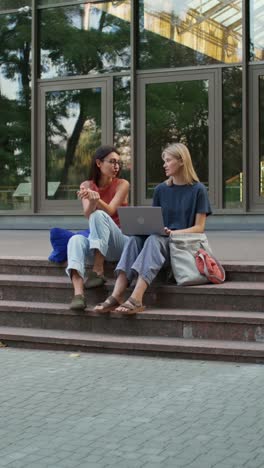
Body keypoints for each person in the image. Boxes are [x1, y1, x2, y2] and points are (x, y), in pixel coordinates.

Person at [94, 142, 212, 314]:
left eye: (168, 160)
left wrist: (173, 233)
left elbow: (199, 228)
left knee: (155, 239)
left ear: (181, 161)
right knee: (135, 239)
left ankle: (136, 298)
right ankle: (117, 294)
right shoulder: (161, 190)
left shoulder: (198, 190)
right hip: (159, 243)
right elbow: (154, 221)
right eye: (164, 161)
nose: (164, 164)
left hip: (181, 246)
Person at [66, 145, 129, 310]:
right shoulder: (86, 184)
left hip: (119, 243)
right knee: (75, 240)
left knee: (99, 215)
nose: (116, 166)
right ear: (99, 163)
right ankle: (78, 295)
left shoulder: (123, 184)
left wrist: (96, 198)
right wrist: (92, 200)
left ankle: (98, 270)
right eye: (112, 162)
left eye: (118, 163)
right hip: (99, 243)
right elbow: (87, 213)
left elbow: (110, 210)